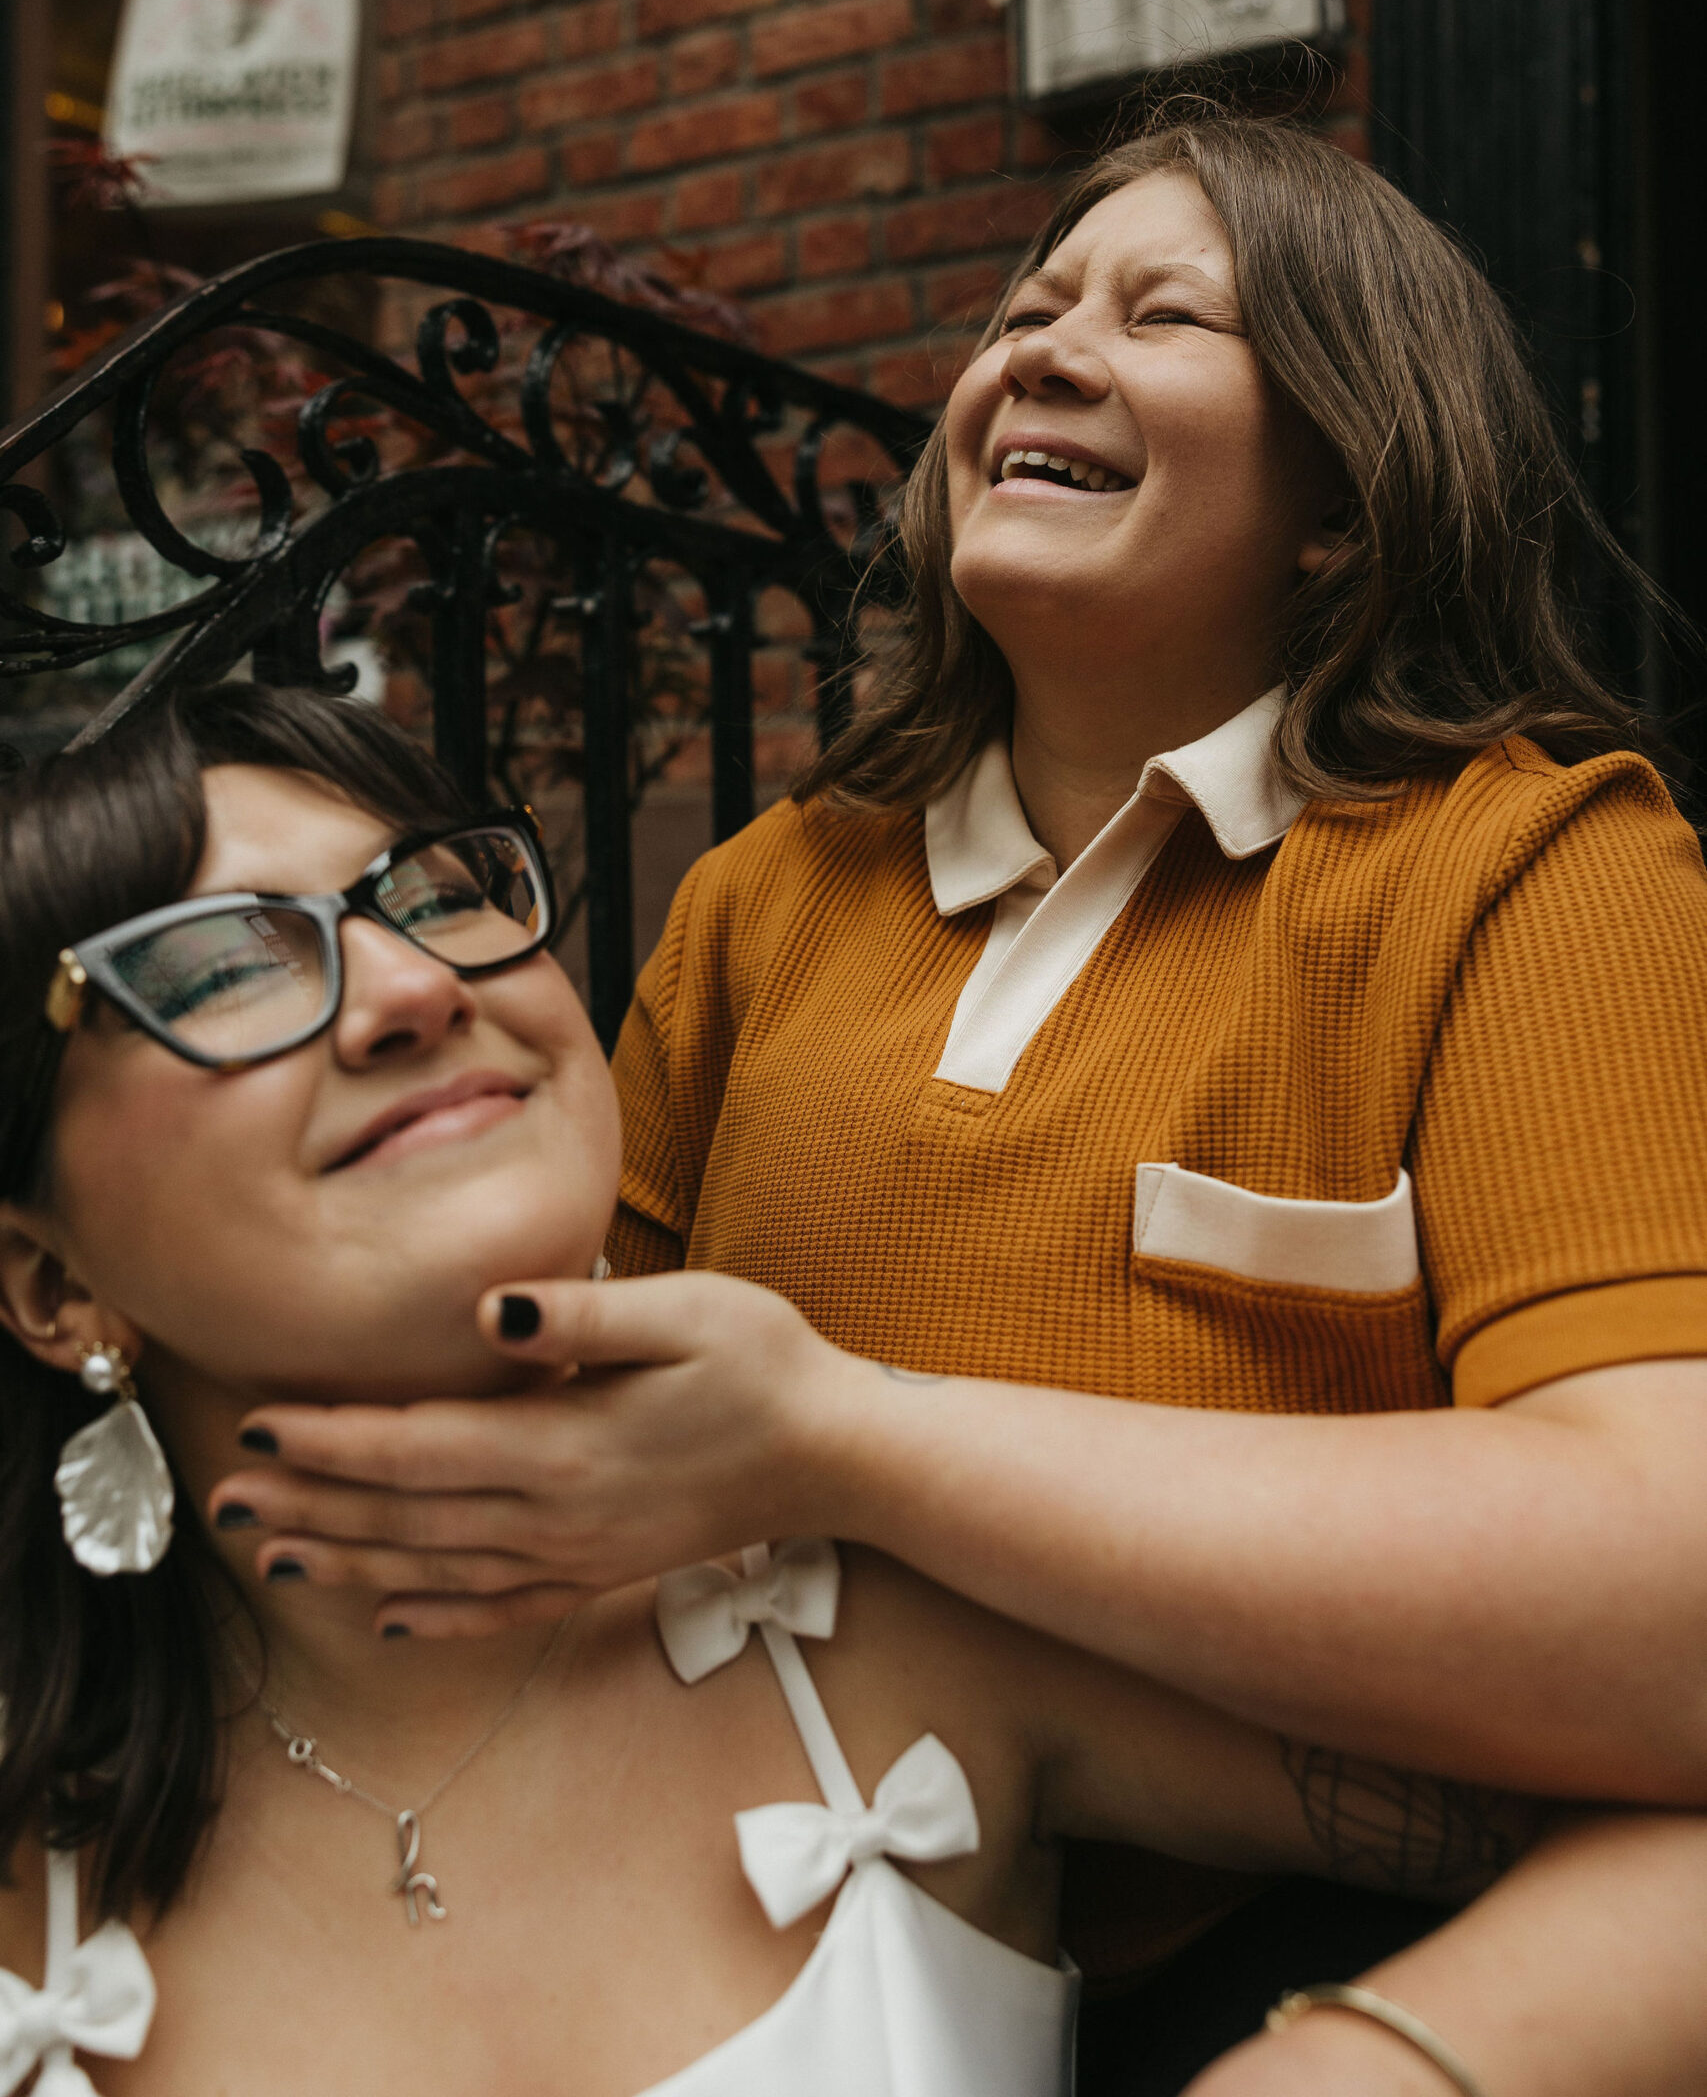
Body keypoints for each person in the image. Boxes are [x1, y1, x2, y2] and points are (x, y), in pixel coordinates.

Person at [212, 113, 1707, 2092]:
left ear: (1343, 490)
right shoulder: (762, 896)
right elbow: (582, 1439)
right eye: (1023, 309)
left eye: (1165, 312)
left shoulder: (1533, 865)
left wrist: (844, 1435)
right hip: (776, 1939)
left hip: (1302, 1953)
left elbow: (1666, 1604)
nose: (1041, 348)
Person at [2, 682, 1609, 2097]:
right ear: (52, 1281)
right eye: (217, 967)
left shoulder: (905, 1651)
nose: (417, 988)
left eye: (431, 895)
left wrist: (1369, 2062)